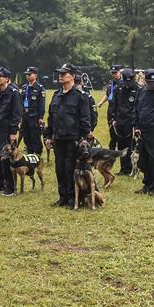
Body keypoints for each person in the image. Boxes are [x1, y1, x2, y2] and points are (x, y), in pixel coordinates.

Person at [43, 63, 91, 208]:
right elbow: (51, 118)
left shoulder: (80, 96)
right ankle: (62, 196)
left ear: (73, 76)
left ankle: (72, 198)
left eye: (64, 74)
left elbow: (85, 119)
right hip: (58, 138)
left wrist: (82, 137)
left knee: (71, 168)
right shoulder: (56, 95)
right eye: (60, 73)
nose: (61, 76)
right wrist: (48, 136)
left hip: (73, 139)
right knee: (59, 168)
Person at [0, 66, 22, 196]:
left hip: (7, 131)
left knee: (6, 159)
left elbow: (17, 113)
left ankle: (10, 187)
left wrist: (13, 132)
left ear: (7, 79)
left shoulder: (14, 93)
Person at [110, 68, 140, 175]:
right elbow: (115, 104)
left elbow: (138, 108)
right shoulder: (119, 88)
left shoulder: (137, 89)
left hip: (131, 122)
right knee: (121, 145)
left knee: (130, 145)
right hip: (120, 120)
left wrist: (136, 124)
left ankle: (131, 168)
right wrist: (113, 118)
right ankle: (123, 168)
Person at [19, 66, 46, 157]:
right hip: (25, 115)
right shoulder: (24, 87)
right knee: (26, 136)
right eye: (27, 75)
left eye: (29, 74)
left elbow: (41, 104)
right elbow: (21, 102)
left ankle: (37, 154)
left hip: (34, 116)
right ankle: (30, 153)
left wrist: (41, 117)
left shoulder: (39, 88)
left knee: (35, 136)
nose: (28, 76)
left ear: (35, 75)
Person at [97, 65, 123, 149]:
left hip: (119, 111)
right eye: (112, 73)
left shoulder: (123, 84)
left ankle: (119, 149)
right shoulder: (111, 84)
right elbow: (108, 95)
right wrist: (101, 102)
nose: (114, 75)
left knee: (119, 132)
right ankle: (112, 149)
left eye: (115, 73)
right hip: (110, 111)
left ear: (120, 72)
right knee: (112, 132)